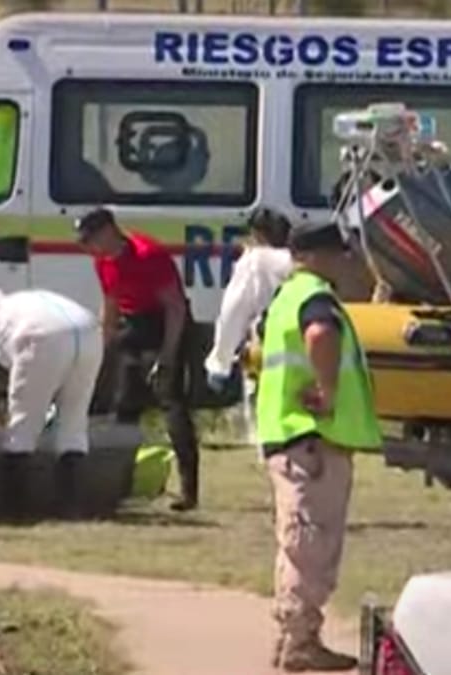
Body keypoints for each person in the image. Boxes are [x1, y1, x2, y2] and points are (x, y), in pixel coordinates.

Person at [256, 219, 382, 672]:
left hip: (288, 436)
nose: (345, 262)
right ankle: (300, 642)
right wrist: (327, 392)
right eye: (338, 254)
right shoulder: (315, 297)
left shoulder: (283, 297)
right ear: (316, 257)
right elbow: (320, 334)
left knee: (297, 542)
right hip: (312, 438)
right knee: (311, 543)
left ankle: (292, 637)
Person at [76, 207, 201, 512]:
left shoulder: (148, 255)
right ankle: (117, 483)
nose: (89, 248)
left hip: (165, 323)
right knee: (124, 404)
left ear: (109, 231)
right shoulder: (102, 261)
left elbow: (174, 307)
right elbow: (110, 306)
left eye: (91, 240)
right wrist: (101, 351)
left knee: (170, 403)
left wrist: (167, 356)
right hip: (133, 325)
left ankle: (189, 490)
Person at [0, 285, 103, 517]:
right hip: (89, 330)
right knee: (74, 423)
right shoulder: (22, 304)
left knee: (22, 427)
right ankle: (71, 506)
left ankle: (15, 508)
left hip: (41, 336)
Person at [204, 207, 294, 392]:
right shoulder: (306, 261)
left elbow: (233, 313)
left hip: (270, 354)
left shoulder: (255, 261)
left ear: (257, 234)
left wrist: (220, 362)